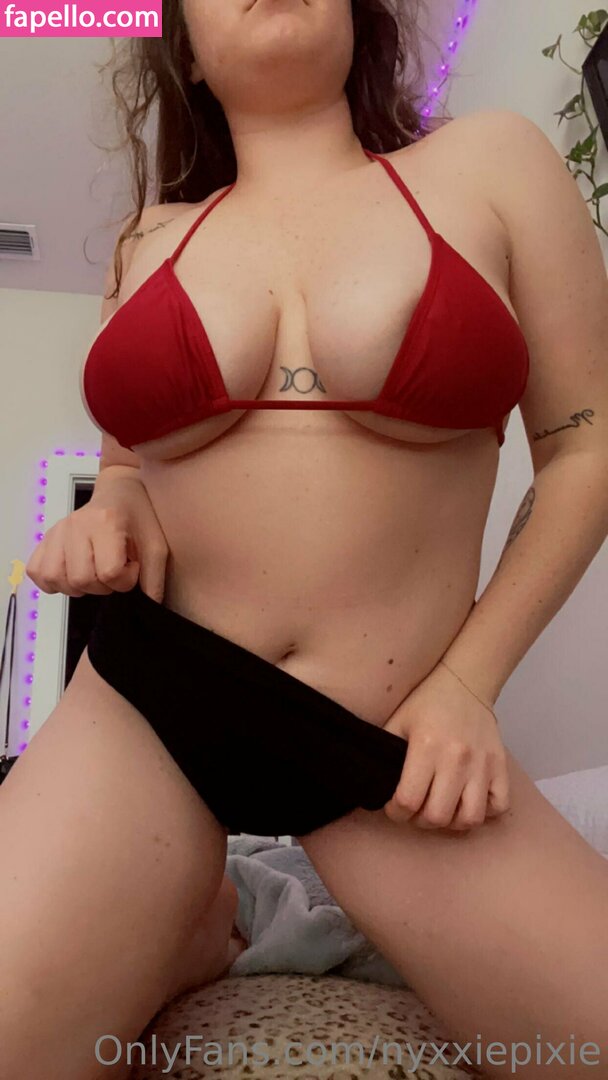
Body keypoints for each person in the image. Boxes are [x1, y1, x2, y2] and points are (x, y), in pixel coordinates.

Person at [4, 0, 608, 1077]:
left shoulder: (491, 164)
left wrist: (467, 685)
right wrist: (107, 512)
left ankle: (196, 919)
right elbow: (132, 467)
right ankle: (191, 922)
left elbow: (582, 450)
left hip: (389, 734)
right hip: (152, 697)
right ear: (185, 48)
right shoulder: (151, 238)